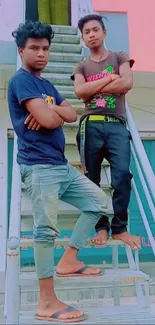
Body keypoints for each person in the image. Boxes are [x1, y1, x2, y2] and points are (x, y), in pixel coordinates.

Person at [7, 20, 109, 323]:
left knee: (98, 201)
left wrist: (49, 111)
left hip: (60, 166)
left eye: (45, 49)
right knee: (45, 232)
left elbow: (72, 113)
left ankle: (68, 259)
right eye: (34, 48)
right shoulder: (21, 80)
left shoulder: (46, 85)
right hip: (38, 167)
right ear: (22, 50)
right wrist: (52, 114)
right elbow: (53, 120)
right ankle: (47, 302)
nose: (41, 54)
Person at [71, 14, 141, 251]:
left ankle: (120, 228)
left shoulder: (119, 56)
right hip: (89, 125)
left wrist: (95, 86)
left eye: (95, 30)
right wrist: (110, 78)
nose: (91, 35)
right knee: (92, 180)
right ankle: (101, 226)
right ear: (82, 37)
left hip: (116, 125)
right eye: (86, 32)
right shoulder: (81, 65)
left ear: (104, 32)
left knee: (122, 176)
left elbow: (126, 84)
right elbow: (80, 92)